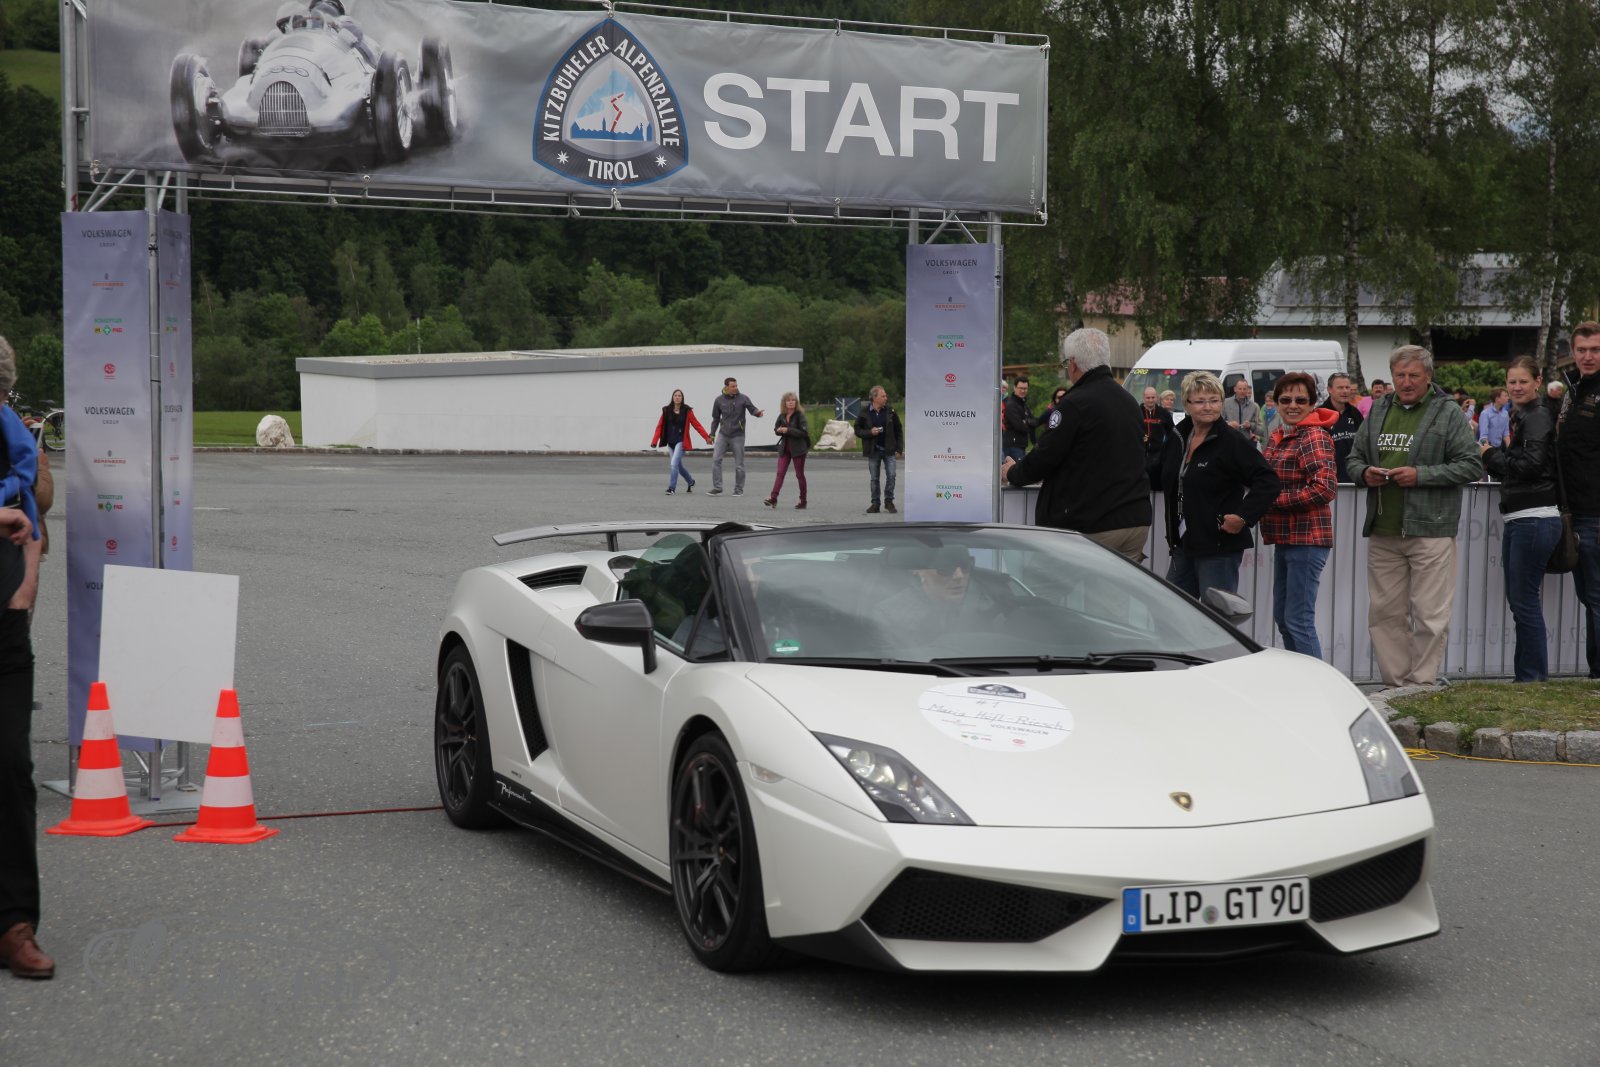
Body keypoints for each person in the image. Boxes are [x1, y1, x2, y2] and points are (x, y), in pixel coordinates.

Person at [1347, 345, 1484, 689]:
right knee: (1384, 613)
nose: (1406, 382)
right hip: (1384, 528)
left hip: (1431, 528)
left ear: (1428, 377)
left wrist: (1421, 475)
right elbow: (1353, 459)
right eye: (1400, 375)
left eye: (1413, 375)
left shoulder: (1448, 412)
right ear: (1392, 377)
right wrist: (1364, 473)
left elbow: (1471, 464)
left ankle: (1420, 685)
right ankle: (1396, 686)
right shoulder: (1378, 408)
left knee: (1428, 614)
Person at [1002, 328, 1152, 562]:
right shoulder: (1129, 401)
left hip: (1093, 522)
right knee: (1114, 588)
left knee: (1047, 582)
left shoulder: (1075, 403)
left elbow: (1045, 456)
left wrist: (1013, 472)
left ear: (1072, 364)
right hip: (1135, 519)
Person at [0, 335, 48, 980]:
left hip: (5, 618)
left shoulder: (13, 432)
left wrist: (28, 580)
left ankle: (15, 924)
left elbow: (33, 504)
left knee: (11, 764)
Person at [1160, 372, 1280, 598]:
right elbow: (1163, 475)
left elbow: (1268, 481)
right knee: (1172, 609)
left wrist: (1243, 517)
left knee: (1215, 613)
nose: (1208, 407)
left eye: (1214, 400)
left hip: (1218, 547)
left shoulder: (1231, 441)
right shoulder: (1179, 436)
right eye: (1200, 401)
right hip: (1183, 544)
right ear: (1186, 404)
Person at [1480, 358, 1560, 682]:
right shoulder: (1526, 415)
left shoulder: (1537, 416)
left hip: (1534, 518)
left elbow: (1530, 465)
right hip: (1523, 517)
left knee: (1524, 602)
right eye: (1511, 382)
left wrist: (1489, 455)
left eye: (1523, 381)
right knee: (1520, 601)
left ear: (1538, 381)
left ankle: (1532, 677)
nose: (1516, 387)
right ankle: (1526, 676)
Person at [1261, 373, 1338, 657]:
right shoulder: (1279, 436)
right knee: (1285, 619)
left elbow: (1324, 488)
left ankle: (1317, 682)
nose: (1292, 405)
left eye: (1300, 400)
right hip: (1286, 538)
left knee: (1298, 620)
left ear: (1312, 404)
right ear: (1276, 403)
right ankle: (1300, 677)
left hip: (1307, 539)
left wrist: (1273, 501)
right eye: (1285, 400)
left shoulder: (1313, 435)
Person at [1557, 322, 1600, 678]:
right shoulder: (1573, 389)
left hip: (1595, 511)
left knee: (1596, 595)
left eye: (1595, 350)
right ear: (1573, 352)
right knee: (1588, 595)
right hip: (1576, 509)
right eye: (1582, 350)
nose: (1588, 356)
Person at [707, 377, 763, 496]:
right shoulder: (719, 400)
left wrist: (758, 413)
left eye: (736, 386)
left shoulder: (743, 398)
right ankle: (717, 488)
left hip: (738, 435)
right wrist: (712, 434)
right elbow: (715, 419)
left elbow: (752, 409)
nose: (735, 388)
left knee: (739, 465)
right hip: (723, 435)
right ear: (726, 387)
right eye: (733, 386)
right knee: (716, 460)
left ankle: (738, 490)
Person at [649, 389, 711, 495]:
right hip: (670, 442)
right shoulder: (666, 410)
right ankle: (691, 482)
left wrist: (706, 437)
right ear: (673, 397)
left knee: (673, 464)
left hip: (681, 441)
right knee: (678, 466)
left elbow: (697, 425)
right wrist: (654, 441)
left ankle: (671, 488)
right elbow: (659, 426)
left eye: (679, 396)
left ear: (682, 398)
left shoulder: (687, 411)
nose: (677, 397)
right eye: (675, 395)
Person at [854, 386, 902, 515]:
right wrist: (870, 432)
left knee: (891, 476)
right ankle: (875, 504)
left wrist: (899, 449)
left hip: (889, 450)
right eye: (883, 396)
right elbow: (857, 430)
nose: (886, 398)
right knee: (874, 478)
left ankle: (889, 501)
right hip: (873, 450)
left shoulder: (891, 411)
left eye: (885, 395)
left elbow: (898, 430)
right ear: (874, 398)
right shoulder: (865, 412)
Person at [763, 392, 810, 510]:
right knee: (780, 473)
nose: (791, 402)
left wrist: (788, 430)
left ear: (796, 402)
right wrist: (779, 430)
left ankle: (803, 500)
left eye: (793, 400)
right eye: (788, 400)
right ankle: (773, 498)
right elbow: (776, 429)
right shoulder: (782, 415)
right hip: (785, 449)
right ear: (784, 403)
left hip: (798, 449)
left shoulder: (800, 416)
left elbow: (803, 432)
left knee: (799, 475)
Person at [1317, 371, 1364, 482]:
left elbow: (1364, 442)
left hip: (1354, 478)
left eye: (1347, 387)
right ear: (1329, 389)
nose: (1345, 391)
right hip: (1329, 479)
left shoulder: (1355, 413)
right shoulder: (1319, 414)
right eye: (1340, 388)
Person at [1138, 386, 1175, 491]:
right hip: (1140, 454)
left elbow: (1172, 433)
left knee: (1157, 485)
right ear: (1143, 398)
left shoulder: (1164, 413)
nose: (1150, 400)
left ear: (1157, 398)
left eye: (1153, 397)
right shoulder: (1136, 411)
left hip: (1158, 455)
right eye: (1148, 398)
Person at [1222, 377, 1266, 449]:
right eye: (1240, 389)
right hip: (1229, 441)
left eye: (1244, 389)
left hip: (1246, 443)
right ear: (1235, 389)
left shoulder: (1253, 406)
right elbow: (1218, 421)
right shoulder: (1226, 403)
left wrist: (1250, 425)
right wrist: (1228, 424)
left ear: (1247, 390)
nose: (1242, 391)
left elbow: (1258, 427)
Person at [1001, 377, 1036, 462]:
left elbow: (1035, 421)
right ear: (1014, 388)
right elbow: (1019, 426)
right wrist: (1029, 423)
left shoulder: (1023, 404)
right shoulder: (1011, 404)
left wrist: (1027, 422)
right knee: (1016, 470)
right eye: (1020, 388)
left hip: (1020, 444)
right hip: (1012, 445)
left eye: (1025, 388)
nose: (1023, 391)